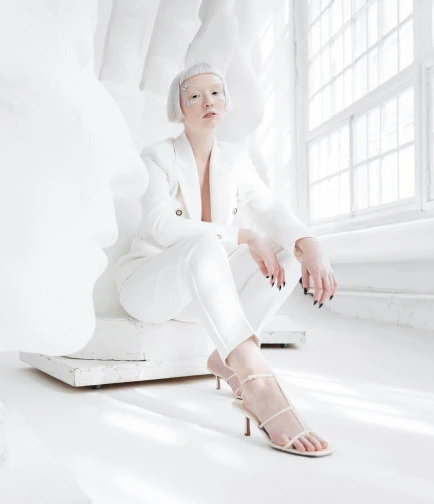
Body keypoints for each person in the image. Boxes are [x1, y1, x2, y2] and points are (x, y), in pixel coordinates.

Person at [113, 63, 338, 457]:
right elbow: (162, 227)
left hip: (201, 288)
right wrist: (242, 236)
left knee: (285, 248)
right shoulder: (158, 157)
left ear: (226, 101)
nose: (207, 101)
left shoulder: (235, 159)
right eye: (194, 95)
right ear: (179, 108)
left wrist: (309, 244)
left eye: (215, 92)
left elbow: (269, 208)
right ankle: (257, 382)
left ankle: (224, 358)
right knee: (208, 244)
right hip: (150, 286)